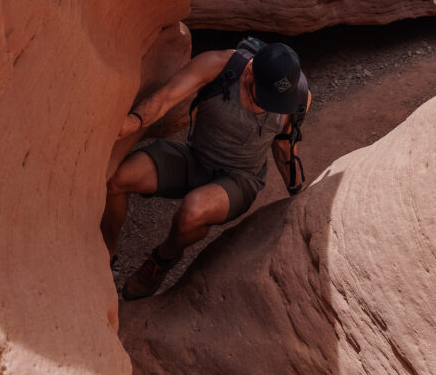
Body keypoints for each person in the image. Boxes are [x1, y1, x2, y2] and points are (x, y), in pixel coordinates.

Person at [102, 40, 311, 299]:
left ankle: (162, 259)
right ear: (249, 73)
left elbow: (284, 150)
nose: (271, 106)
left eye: (277, 101)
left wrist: (300, 195)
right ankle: (105, 255)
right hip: (194, 156)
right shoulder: (220, 66)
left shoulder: (296, 97)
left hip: (240, 179)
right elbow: (166, 97)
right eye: (267, 97)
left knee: (194, 210)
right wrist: (132, 123)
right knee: (117, 180)